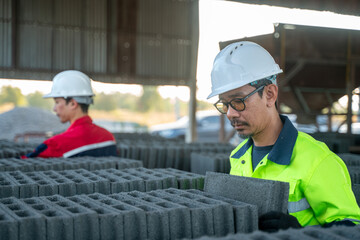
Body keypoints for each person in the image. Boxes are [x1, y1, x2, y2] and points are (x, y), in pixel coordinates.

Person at [208, 41, 360, 232]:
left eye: (238, 101)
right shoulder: (238, 157)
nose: (230, 113)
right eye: (225, 104)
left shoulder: (317, 161)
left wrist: (302, 234)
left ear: (270, 94)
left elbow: (353, 229)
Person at [22, 70, 117, 158]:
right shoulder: (108, 137)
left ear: (72, 104)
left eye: (57, 102)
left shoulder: (56, 144)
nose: (54, 109)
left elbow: (25, 162)